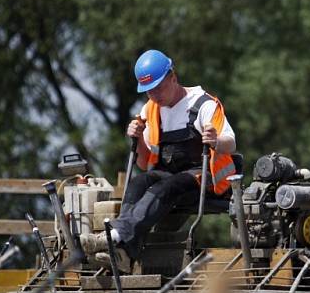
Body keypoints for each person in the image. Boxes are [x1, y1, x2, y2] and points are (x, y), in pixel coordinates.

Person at [80, 49, 237, 273]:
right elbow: (144, 164)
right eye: (148, 92)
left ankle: (113, 236)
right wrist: (138, 139)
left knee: (166, 187)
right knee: (138, 183)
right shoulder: (149, 110)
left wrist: (215, 140)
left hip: (204, 178)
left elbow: (231, 143)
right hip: (172, 177)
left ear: (173, 77)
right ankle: (124, 252)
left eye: (158, 88)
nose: (154, 96)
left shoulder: (205, 105)